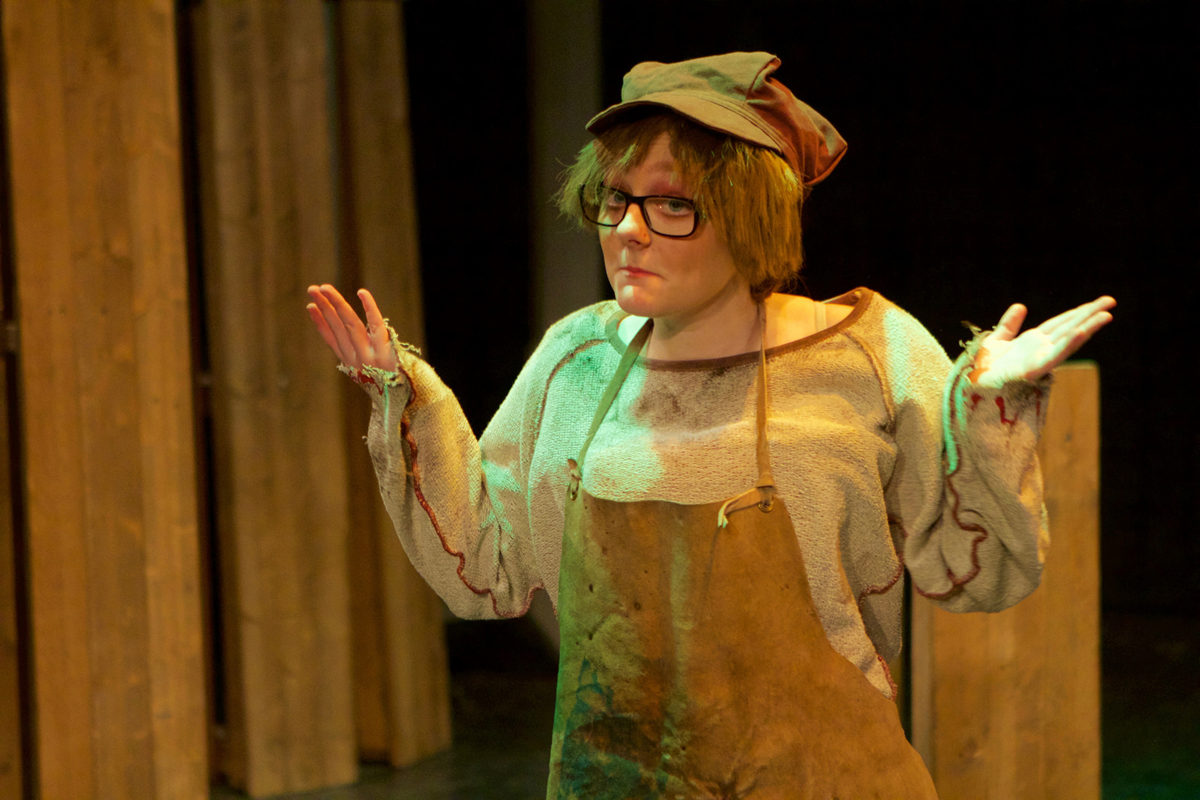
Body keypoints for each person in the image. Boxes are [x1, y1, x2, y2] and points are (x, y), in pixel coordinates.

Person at [307, 52, 1113, 798]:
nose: (629, 230)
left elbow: (977, 573)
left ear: (752, 215)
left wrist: (986, 416)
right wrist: (401, 396)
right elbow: (486, 568)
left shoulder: (868, 355)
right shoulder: (577, 362)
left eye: (671, 206)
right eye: (615, 199)